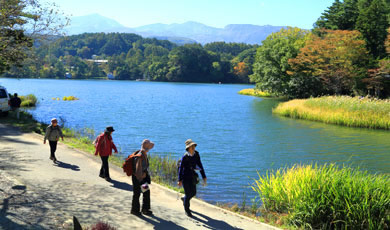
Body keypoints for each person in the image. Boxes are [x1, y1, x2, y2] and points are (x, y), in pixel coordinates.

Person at [178, 139, 207, 217]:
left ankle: (184, 199)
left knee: (193, 193)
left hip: (192, 176)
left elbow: (200, 165)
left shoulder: (196, 154)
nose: (194, 147)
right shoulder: (185, 156)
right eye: (192, 146)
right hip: (185, 177)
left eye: (194, 145)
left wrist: (204, 176)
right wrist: (179, 180)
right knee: (188, 194)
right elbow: (181, 168)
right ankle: (187, 210)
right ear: (188, 148)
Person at [131, 139, 154, 216]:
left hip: (140, 178)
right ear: (147, 148)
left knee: (146, 192)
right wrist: (141, 178)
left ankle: (145, 209)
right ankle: (135, 210)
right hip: (138, 178)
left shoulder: (143, 154)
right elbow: (138, 170)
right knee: (137, 193)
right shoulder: (140, 156)